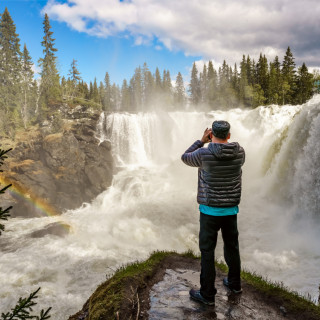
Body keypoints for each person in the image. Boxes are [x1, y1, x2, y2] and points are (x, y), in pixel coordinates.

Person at [181, 120, 245, 306]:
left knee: (207, 251)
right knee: (232, 246)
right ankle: (234, 284)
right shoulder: (240, 152)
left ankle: (207, 295)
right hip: (231, 209)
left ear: (211, 135)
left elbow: (185, 157)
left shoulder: (203, 153)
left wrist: (201, 141)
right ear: (229, 135)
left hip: (209, 210)